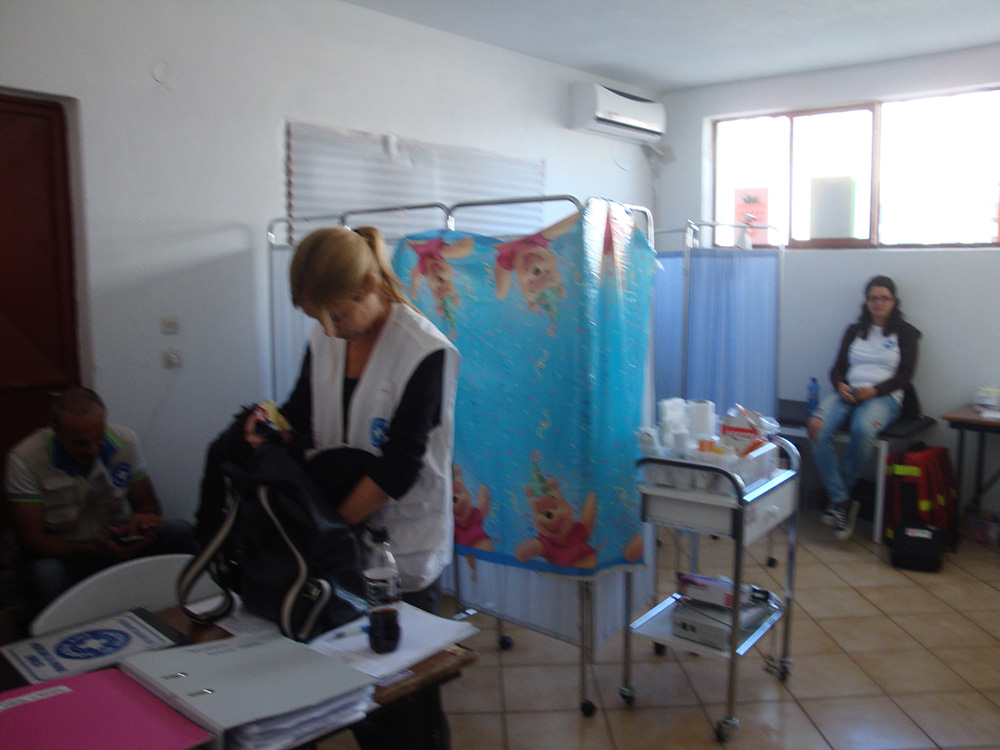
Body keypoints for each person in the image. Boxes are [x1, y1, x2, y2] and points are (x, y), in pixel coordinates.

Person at [258, 225, 459, 750]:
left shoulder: (424, 351)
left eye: (337, 317)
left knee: (406, 699)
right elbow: (299, 413)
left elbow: (399, 466)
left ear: (370, 285)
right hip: (339, 542)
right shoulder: (327, 335)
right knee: (357, 687)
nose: (329, 331)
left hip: (401, 547)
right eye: (316, 319)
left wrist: (329, 529)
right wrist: (269, 424)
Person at [5, 387, 198, 614]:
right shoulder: (25, 460)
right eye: (80, 443)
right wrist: (95, 550)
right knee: (46, 574)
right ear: (56, 430)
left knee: (179, 531)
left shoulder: (125, 442)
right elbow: (32, 539)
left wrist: (141, 525)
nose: (92, 449)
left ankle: (194, 611)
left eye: (98, 438)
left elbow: (147, 505)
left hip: (117, 543)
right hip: (65, 554)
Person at [808, 275, 921, 541]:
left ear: (894, 301)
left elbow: (905, 376)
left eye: (884, 298)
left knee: (863, 429)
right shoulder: (854, 330)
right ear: (866, 301)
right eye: (872, 298)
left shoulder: (906, 332)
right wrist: (840, 385)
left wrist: (875, 391)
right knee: (816, 426)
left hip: (885, 397)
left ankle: (839, 500)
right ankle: (842, 500)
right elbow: (836, 368)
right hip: (848, 392)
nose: (878, 303)